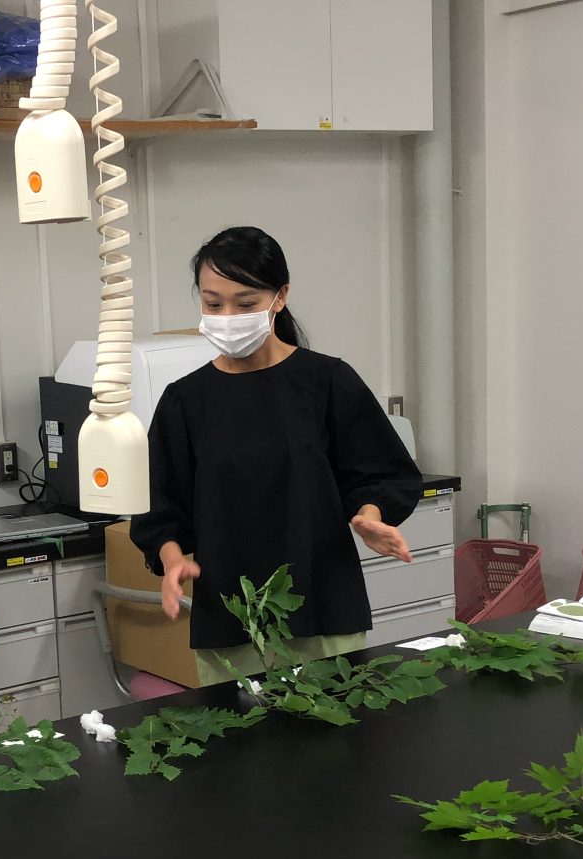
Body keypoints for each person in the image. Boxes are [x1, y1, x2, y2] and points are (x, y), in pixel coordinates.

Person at [131, 227, 424, 686]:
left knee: (336, 725)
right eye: (213, 304)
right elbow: (159, 508)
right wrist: (171, 561)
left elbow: (382, 471)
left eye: (245, 304)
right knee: (240, 730)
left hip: (323, 605)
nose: (227, 317)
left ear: (280, 297)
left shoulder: (327, 382)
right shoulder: (185, 401)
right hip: (230, 617)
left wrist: (369, 516)